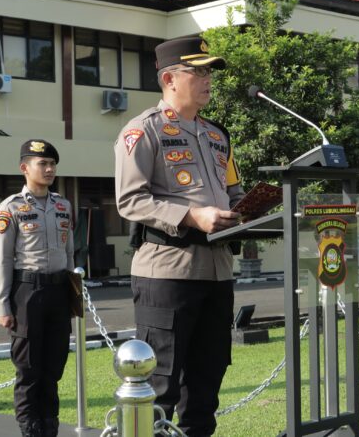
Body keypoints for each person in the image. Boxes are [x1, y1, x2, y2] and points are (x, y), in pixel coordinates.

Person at [114, 36, 245, 436]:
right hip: (167, 273)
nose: (208, 79)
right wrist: (191, 215)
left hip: (217, 272)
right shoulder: (142, 132)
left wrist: (248, 210)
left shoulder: (217, 135)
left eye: (210, 72)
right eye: (199, 71)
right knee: (160, 383)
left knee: (206, 384)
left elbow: (233, 191)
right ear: (169, 78)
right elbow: (130, 200)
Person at [0, 139, 74, 437]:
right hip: (27, 292)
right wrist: (1, 306)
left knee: (53, 368)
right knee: (28, 370)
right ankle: (30, 430)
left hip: (59, 292)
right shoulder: (10, 207)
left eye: (53, 164)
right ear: (24, 168)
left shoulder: (63, 205)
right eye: (43, 164)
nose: (50, 169)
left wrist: (74, 296)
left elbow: (70, 255)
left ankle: (49, 428)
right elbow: (3, 259)